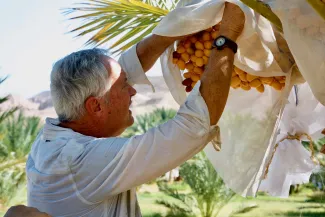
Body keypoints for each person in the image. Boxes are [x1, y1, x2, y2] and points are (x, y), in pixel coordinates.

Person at [16, 3, 244, 217]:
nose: (133, 92)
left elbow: (127, 67)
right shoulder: (81, 161)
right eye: (125, 86)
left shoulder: (52, 141)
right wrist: (227, 36)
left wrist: (191, 20)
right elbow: (193, 127)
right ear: (95, 106)